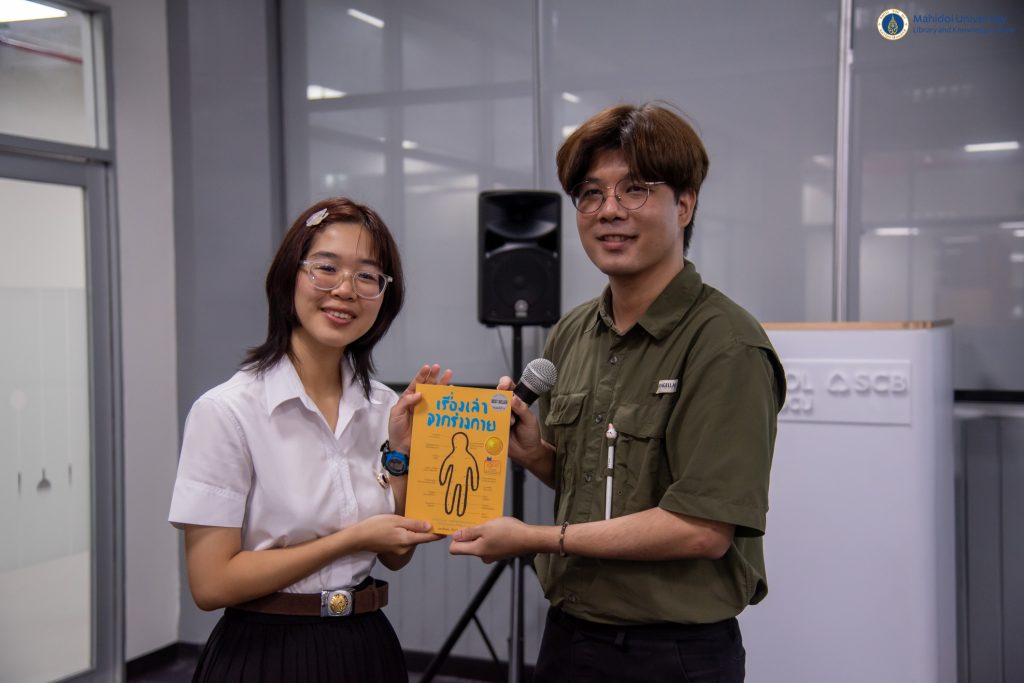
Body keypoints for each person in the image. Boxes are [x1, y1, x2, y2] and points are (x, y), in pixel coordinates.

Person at [449, 102, 786, 682]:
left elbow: (702, 529)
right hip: (568, 637)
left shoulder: (725, 344)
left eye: (635, 190)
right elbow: (603, 484)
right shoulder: (572, 332)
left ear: (684, 205)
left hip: (670, 655)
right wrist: (535, 454)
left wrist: (535, 538)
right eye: (591, 193)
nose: (609, 211)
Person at [169, 197, 449, 682]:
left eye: (367, 276)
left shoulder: (387, 407)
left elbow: (396, 555)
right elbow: (211, 584)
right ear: (290, 277)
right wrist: (351, 539)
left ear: (384, 296)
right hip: (264, 653)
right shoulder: (227, 411)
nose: (345, 290)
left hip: (366, 646)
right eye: (326, 267)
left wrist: (403, 454)